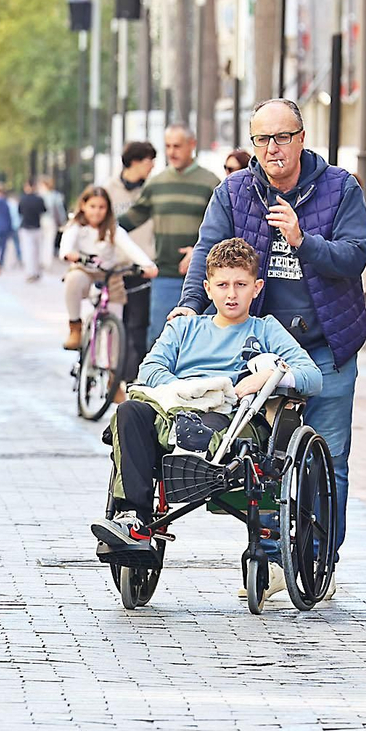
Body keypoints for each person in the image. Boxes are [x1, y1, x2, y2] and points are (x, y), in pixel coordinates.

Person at [168, 98, 366, 582]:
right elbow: (208, 253)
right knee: (261, 458)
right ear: (253, 145)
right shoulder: (235, 192)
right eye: (262, 139)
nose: (273, 148)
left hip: (326, 346)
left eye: (283, 137)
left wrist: (304, 241)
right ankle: (272, 554)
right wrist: (189, 306)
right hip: (261, 354)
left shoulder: (340, 189)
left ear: (302, 137)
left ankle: (319, 557)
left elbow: (355, 256)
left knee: (331, 456)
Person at [92, 238, 321, 590]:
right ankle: (135, 521)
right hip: (176, 408)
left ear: (256, 288)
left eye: (241, 285)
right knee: (129, 411)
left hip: (232, 422)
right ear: (207, 288)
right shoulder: (184, 328)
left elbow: (313, 377)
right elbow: (151, 369)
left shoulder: (266, 330)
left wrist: (265, 378)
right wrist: (188, 390)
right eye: (223, 285)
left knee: (199, 424)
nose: (232, 294)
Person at [118, 124, 220, 348]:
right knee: (159, 338)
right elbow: (132, 219)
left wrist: (197, 251)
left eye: (177, 146)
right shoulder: (156, 184)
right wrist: (95, 224)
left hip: (204, 279)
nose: (172, 151)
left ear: (192, 145)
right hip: (164, 275)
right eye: (167, 146)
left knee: (202, 341)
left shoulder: (211, 183)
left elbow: (222, 229)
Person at [59, 186, 157, 355]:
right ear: (83, 206)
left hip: (110, 273)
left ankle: (112, 366)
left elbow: (130, 247)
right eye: (92, 206)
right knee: (73, 280)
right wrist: (69, 254)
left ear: (108, 209)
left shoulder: (113, 229)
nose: (96, 212)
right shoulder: (76, 226)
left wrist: (148, 265)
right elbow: (66, 246)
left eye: (101, 207)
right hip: (85, 269)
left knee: (115, 317)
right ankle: (75, 327)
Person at [105, 141, 157, 383]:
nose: (153, 166)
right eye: (149, 161)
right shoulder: (108, 190)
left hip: (143, 268)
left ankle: (133, 377)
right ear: (135, 162)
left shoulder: (151, 190)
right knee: (116, 325)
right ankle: (113, 373)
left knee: (138, 325)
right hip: (116, 268)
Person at [17, 181, 48, 281]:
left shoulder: (22, 199)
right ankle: (37, 271)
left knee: (28, 251)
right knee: (37, 251)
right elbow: (44, 210)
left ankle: (30, 272)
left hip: (26, 227)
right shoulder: (39, 199)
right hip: (37, 227)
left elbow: (20, 212)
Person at [40, 176, 68, 263]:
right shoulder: (56, 196)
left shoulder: (40, 196)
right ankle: (47, 261)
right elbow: (60, 210)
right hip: (51, 221)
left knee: (42, 241)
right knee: (49, 241)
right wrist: (63, 221)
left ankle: (42, 260)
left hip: (42, 221)